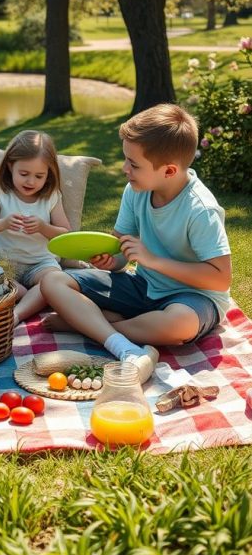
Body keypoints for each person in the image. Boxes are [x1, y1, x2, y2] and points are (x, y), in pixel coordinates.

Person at [40, 104, 231, 383]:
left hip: (192, 298)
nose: (124, 168)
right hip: (143, 287)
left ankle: (91, 325)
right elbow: (120, 257)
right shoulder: (136, 190)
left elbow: (220, 279)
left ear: (169, 171)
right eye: (126, 159)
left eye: (134, 164)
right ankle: (117, 337)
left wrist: (153, 260)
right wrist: (110, 260)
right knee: (53, 281)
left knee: (179, 323)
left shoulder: (200, 210)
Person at [0, 130, 71, 326]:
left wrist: (43, 227)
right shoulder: (0, 194)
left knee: (54, 281)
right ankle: (24, 294)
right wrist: (3, 223)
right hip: (5, 263)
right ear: (10, 166)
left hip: (40, 263)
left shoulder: (51, 197)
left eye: (39, 176)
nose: (31, 181)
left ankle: (16, 314)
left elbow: (65, 233)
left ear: (49, 174)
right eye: (24, 174)